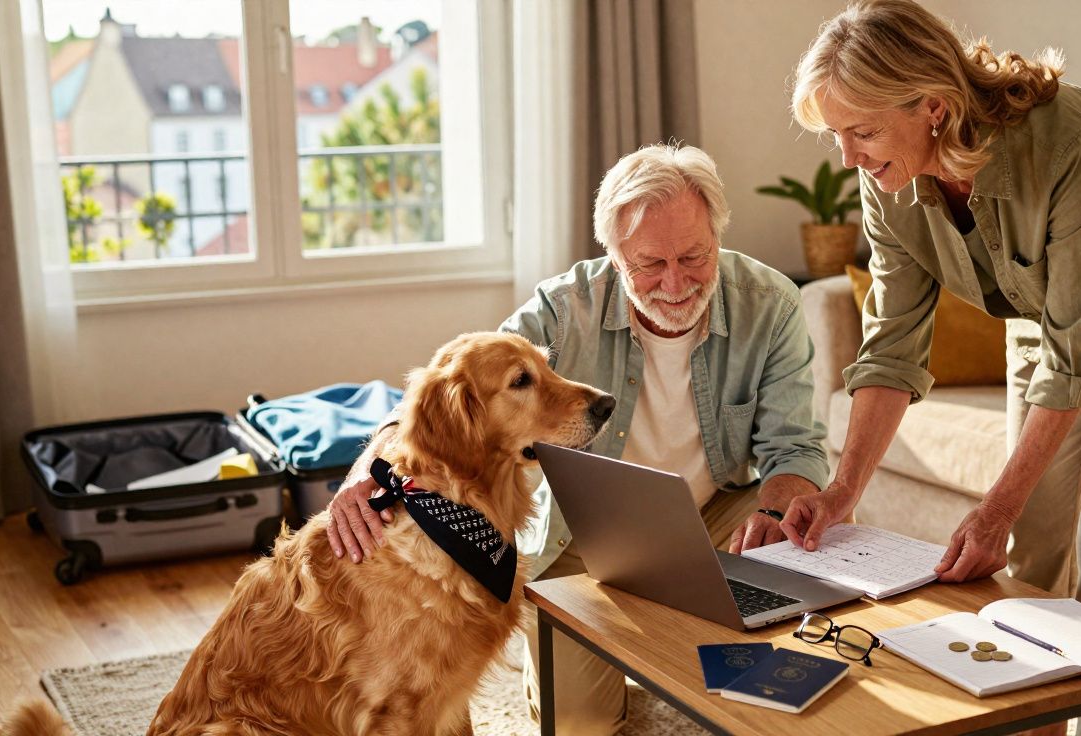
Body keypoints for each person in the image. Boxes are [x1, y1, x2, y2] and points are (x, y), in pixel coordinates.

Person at [777, 3, 1081, 735]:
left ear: (932, 106)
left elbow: (1080, 354)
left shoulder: (1068, 141)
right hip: (1046, 318)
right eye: (836, 135)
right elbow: (892, 346)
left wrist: (993, 508)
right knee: (1033, 541)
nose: (847, 156)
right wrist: (842, 491)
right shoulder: (888, 178)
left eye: (861, 131)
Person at [324, 143, 830, 736]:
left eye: (694, 256)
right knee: (579, 725)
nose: (675, 283)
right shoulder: (562, 309)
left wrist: (775, 511)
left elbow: (795, 448)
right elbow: (454, 384)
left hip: (718, 516)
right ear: (613, 257)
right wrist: (368, 468)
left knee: (811, 563)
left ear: (718, 236)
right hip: (582, 534)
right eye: (650, 263)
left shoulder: (771, 304)